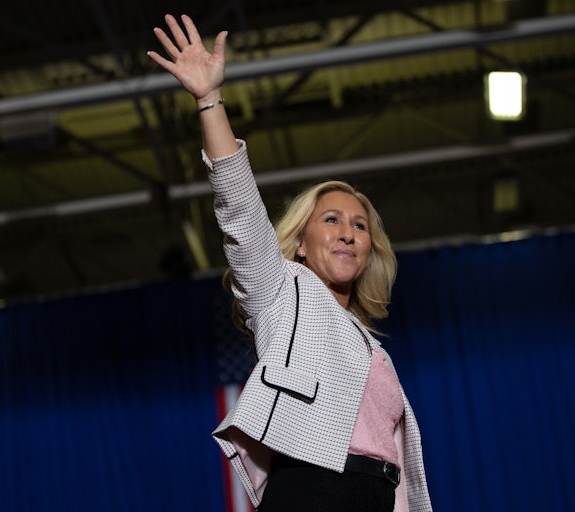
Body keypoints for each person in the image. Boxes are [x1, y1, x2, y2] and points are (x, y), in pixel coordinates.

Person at [148, 14, 432, 512]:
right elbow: (238, 205)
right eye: (332, 220)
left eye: (360, 225)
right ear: (300, 242)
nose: (348, 231)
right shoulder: (282, 292)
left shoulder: (372, 347)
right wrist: (209, 101)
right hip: (314, 491)